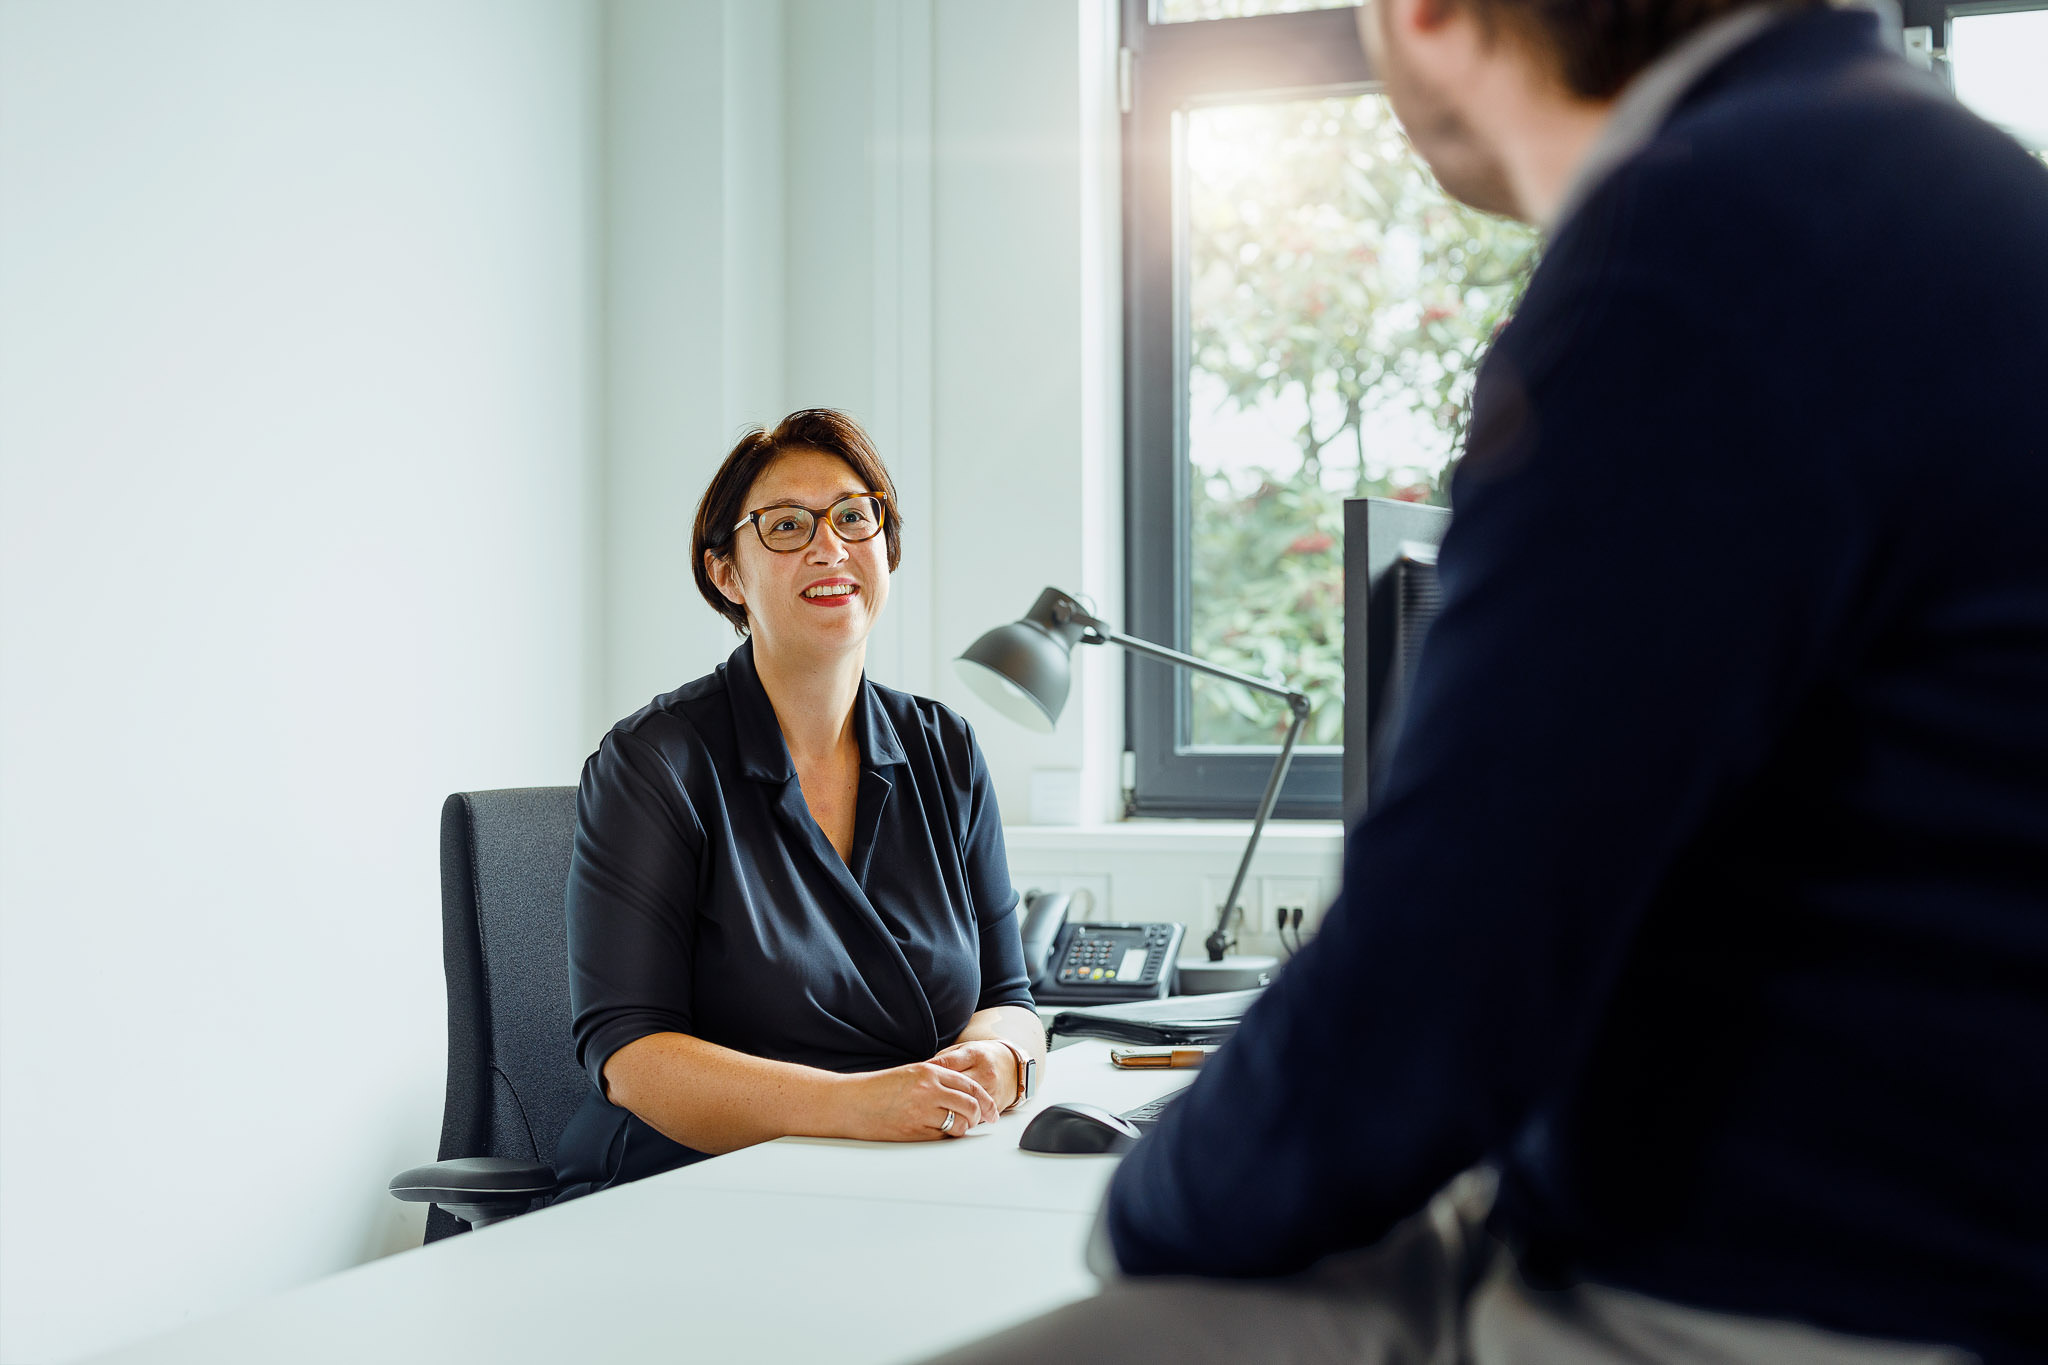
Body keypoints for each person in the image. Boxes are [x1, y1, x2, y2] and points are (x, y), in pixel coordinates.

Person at [929, 2, 2047, 1363]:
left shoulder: (1694, 241)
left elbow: (1432, 988)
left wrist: (1148, 1203)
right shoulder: (1940, 187)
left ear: (1428, 14)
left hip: (1797, 1294)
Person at [552, 409, 1046, 1198]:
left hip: (898, 1174)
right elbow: (634, 1057)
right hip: (688, 1189)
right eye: (786, 526)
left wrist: (1003, 1057)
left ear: (886, 544)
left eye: (855, 515)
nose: (831, 546)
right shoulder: (654, 761)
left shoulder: (944, 747)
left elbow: (1010, 998)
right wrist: (860, 1106)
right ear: (727, 574)